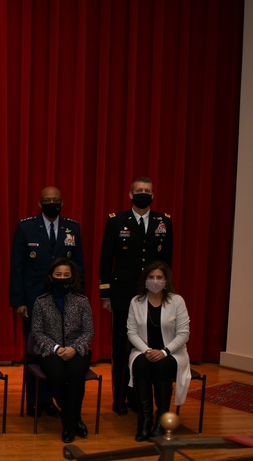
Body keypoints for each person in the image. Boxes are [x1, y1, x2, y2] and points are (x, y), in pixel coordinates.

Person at [99, 176, 174, 416]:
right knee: (122, 348)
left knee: (149, 346)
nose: (144, 193)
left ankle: (141, 398)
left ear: (153, 194)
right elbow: (105, 261)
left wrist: (165, 291)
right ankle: (120, 398)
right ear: (130, 195)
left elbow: (167, 262)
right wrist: (106, 294)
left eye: (148, 190)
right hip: (123, 295)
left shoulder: (164, 222)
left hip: (152, 296)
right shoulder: (116, 221)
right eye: (139, 190)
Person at [9, 186, 85, 416]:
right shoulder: (26, 227)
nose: (52, 203)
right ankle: (35, 402)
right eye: (47, 200)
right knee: (35, 352)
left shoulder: (72, 227)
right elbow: (17, 267)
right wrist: (18, 301)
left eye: (56, 200)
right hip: (33, 301)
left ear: (62, 202)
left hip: (65, 302)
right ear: (39, 204)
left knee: (60, 352)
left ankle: (54, 399)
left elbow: (79, 266)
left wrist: (80, 300)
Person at [29, 258, 94, 443]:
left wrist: (74, 348)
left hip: (78, 350)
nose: (62, 278)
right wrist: (56, 348)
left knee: (75, 375)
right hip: (50, 351)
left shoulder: (82, 301)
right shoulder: (41, 302)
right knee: (56, 375)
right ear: (51, 276)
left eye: (66, 275)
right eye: (58, 274)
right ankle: (73, 420)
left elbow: (88, 331)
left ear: (73, 277)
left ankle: (69, 423)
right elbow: (37, 332)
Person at [127, 261, 191, 441]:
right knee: (140, 364)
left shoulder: (177, 301)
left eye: (159, 278)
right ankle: (145, 419)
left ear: (166, 280)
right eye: (151, 277)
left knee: (162, 366)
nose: (155, 281)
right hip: (143, 351)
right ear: (145, 280)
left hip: (172, 352)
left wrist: (164, 351)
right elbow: (131, 332)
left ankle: (161, 419)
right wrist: (147, 350)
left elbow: (184, 334)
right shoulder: (136, 301)